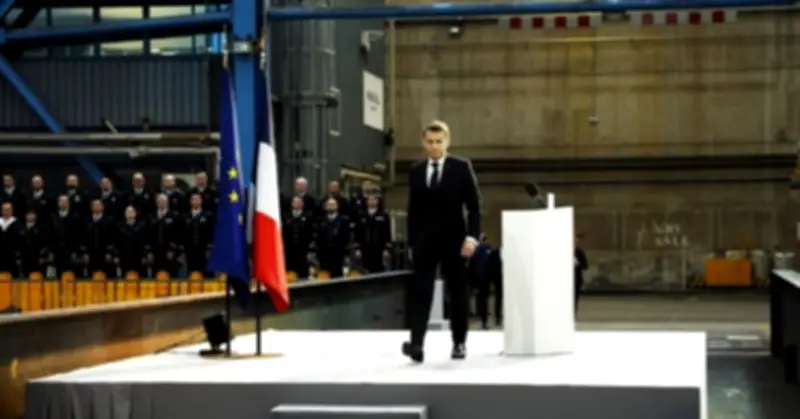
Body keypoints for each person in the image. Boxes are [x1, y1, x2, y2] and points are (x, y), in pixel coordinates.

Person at [402, 120, 482, 363]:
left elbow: (474, 207)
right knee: (421, 292)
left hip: (455, 242)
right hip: (424, 243)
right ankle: (417, 344)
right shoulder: (416, 171)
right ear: (423, 142)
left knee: (457, 293)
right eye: (430, 141)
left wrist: (472, 238)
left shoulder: (461, 167)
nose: (434, 146)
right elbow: (413, 211)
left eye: (438, 141)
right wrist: (411, 243)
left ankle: (459, 342)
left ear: (447, 142)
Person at [574, 233, 589, 313]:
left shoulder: (579, 252)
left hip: (576, 278)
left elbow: (585, 266)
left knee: (575, 297)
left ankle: (574, 312)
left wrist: (578, 263)